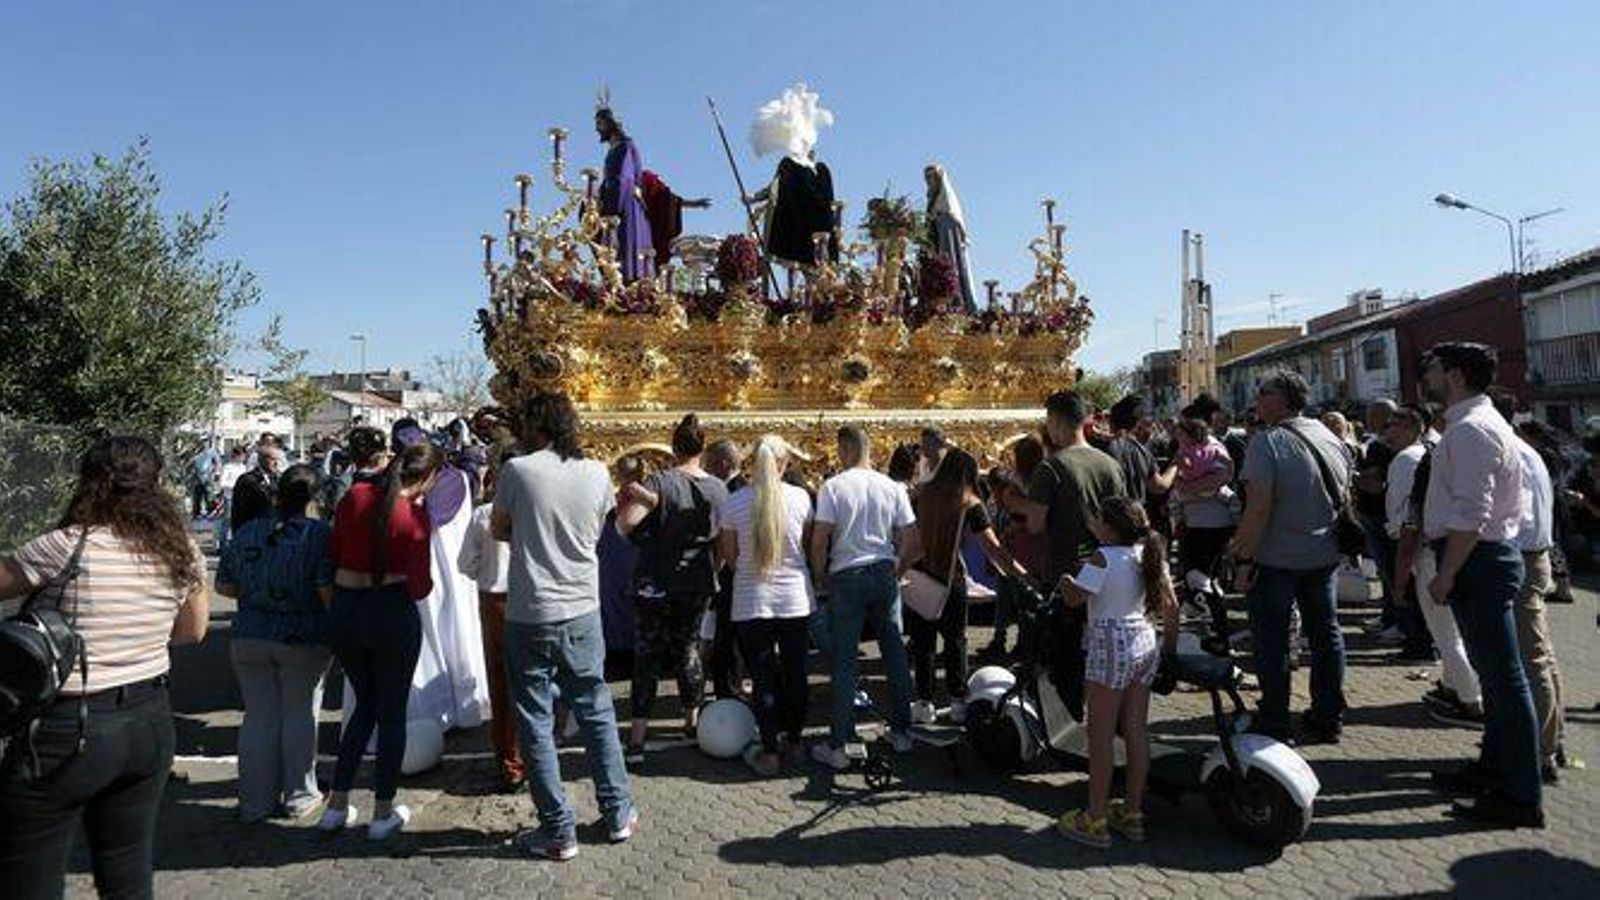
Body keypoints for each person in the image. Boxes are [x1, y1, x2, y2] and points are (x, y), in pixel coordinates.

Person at [0, 435, 209, 899]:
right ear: (155, 485)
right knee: (128, 872)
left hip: (67, 730)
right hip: (149, 721)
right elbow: (193, 632)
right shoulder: (180, 549)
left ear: (89, 482)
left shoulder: (66, 546)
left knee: (29, 871)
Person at [493, 392, 637, 860]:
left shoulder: (518, 471)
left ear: (535, 425)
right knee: (596, 711)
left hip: (531, 611)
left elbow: (498, 528)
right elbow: (599, 526)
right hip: (581, 609)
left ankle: (558, 830)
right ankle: (618, 813)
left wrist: (531, 534)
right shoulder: (596, 472)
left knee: (536, 720)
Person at [1420, 343, 1543, 828]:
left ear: (1454, 376)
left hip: (1478, 561)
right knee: (1496, 678)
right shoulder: (1474, 423)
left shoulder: (1472, 429)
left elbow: (1473, 512)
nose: (1426, 377)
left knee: (1504, 680)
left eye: (1432, 369)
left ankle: (1519, 795)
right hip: (1482, 559)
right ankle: (1495, 768)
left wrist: (1447, 573)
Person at [322, 442, 444, 840]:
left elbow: (334, 550)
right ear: (428, 477)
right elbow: (421, 587)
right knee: (391, 714)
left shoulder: (355, 496)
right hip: (391, 611)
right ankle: (383, 811)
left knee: (364, 707)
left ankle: (336, 805)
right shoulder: (414, 516)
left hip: (346, 609)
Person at [1228, 370, 1350, 744]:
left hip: (1276, 559)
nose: (1256, 400)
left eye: (1262, 393)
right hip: (1323, 554)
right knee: (1326, 635)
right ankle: (1328, 716)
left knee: (1272, 641)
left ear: (1281, 399)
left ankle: (1275, 717)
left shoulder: (1267, 442)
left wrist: (1243, 558)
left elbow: (1258, 506)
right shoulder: (1326, 434)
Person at [1053, 497, 1178, 848]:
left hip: (1110, 643)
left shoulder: (1102, 557)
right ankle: (1132, 812)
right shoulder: (1150, 555)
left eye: (1097, 518)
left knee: (1101, 735)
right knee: (1136, 730)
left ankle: (1095, 818)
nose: (1093, 521)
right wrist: (1170, 654)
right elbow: (1171, 607)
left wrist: (1066, 580)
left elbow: (1075, 598)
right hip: (1144, 640)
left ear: (1109, 527)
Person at [215, 463, 334, 823]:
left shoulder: (247, 531)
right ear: (315, 499)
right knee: (300, 714)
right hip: (302, 635)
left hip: (249, 632)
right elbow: (325, 590)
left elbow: (224, 586)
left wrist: (257, 592)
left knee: (258, 718)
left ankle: (254, 802)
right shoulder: (319, 534)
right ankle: (299, 796)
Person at [616, 414, 730, 762]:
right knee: (688, 648)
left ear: (673, 446)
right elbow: (723, 543)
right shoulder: (718, 488)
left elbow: (626, 524)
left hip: (655, 579)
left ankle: (637, 737)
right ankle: (691, 722)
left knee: (647, 655)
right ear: (702, 448)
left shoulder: (659, 482)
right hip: (697, 579)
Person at [808, 425, 918, 769]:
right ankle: (902, 732)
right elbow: (913, 538)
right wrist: (898, 568)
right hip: (883, 571)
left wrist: (819, 576)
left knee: (844, 661)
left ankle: (839, 744)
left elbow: (820, 539)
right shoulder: (892, 487)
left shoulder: (833, 487)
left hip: (847, 575)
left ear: (844, 450)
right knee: (894, 652)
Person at [1012, 390, 1126, 720]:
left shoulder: (1051, 468)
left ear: (1057, 422)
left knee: (1066, 655)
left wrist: (1017, 503)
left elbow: (1035, 524)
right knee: (1099, 649)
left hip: (1065, 572)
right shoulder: (1110, 464)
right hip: (1106, 569)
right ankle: (1104, 715)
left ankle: (1069, 719)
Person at [899, 448, 1028, 724]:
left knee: (923, 643)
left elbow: (912, 543)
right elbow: (992, 547)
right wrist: (1019, 573)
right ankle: (957, 700)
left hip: (920, 578)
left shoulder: (920, 497)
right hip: (951, 580)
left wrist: (899, 570)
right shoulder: (969, 503)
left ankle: (924, 702)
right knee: (956, 640)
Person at [716, 436, 814, 776]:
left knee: (762, 677)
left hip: (751, 599)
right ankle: (795, 742)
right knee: (796, 672)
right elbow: (806, 545)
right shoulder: (801, 498)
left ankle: (770, 751)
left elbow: (730, 556)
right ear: (784, 463)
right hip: (794, 599)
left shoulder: (735, 503)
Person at [1388, 406, 1484, 728]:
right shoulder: (1461, 462)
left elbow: (1409, 526)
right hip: (1466, 554)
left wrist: (1399, 580)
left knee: (1447, 635)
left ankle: (1472, 703)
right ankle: (1455, 686)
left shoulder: (1421, 464)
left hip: (1432, 556)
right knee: (1456, 632)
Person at [1490, 391, 1567, 784]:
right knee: (1541, 655)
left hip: (1521, 558)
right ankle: (1553, 739)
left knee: (1530, 658)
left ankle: (1540, 752)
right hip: (1534, 556)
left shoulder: (1510, 452)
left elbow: (1512, 518)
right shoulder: (1525, 450)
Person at [457, 449, 521, 792]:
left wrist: (488, 569)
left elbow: (465, 564)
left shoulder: (484, 514)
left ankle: (509, 760)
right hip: (533, 599)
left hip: (495, 600)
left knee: (501, 681)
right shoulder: (535, 510)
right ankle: (534, 755)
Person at [1152, 418, 1236, 647]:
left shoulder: (1214, 450)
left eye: (1180, 434)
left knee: (1204, 580)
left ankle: (1218, 631)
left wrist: (1189, 489)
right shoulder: (1186, 452)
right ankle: (1211, 626)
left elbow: (1222, 479)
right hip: (1194, 526)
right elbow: (1179, 485)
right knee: (1198, 579)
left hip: (1213, 529)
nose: (1176, 437)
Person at [746, 84, 838, 267]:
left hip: (817, 229)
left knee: (821, 267)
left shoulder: (821, 170)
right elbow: (774, 187)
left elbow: (827, 200)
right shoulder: (788, 165)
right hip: (794, 225)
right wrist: (754, 197)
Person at [703, 438, 746, 702]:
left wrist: (718, 570)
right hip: (736, 571)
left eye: (709, 464)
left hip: (732, 572)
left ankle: (729, 690)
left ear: (723, 464)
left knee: (727, 638)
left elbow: (724, 538)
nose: (706, 470)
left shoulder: (732, 492)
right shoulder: (739, 489)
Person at [595, 96, 654, 283]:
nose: (597, 129)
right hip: (620, 204)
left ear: (609, 123)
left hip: (625, 209)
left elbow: (623, 179)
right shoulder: (615, 149)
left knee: (625, 260)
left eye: (599, 124)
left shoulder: (624, 147)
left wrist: (609, 211)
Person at [923, 164, 975, 312]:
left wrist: (938, 221)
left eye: (932, 177)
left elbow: (951, 227)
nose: (929, 181)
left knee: (950, 266)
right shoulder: (932, 201)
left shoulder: (948, 209)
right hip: (935, 241)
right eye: (927, 178)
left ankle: (957, 302)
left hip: (946, 240)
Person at [231, 442, 286, 533]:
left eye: (278, 460)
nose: (276, 463)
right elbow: (239, 511)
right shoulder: (247, 480)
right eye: (273, 459)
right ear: (262, 459)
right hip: (252, 530)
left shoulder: (279, 479)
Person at [189, 439, 221, 519]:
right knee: (197, 496)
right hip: (197, 476)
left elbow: (218, 463)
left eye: (206, 441)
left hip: (208, 476)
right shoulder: (195, 452)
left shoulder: (212, 452)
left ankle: (210, 511)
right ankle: (196, 513)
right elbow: (192, 463)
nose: (204, 443)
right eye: (203, 441)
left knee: (209, 495)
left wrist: (216, 473)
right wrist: (192, 472)